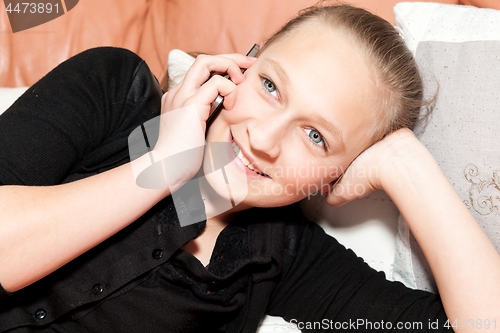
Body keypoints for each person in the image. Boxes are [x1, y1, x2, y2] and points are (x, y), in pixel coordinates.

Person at [0, 4, 498, 332]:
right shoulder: (115, 91)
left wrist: (408, 166)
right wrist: (162, 166)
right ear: (243, 63)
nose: (262, 138)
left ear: (336, 176)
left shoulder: (283, 258)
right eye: (271, 86)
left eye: (316, 136)